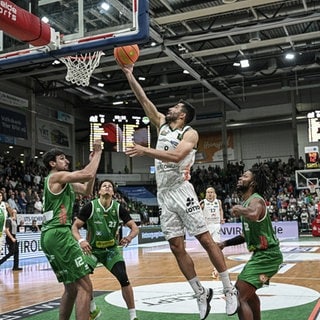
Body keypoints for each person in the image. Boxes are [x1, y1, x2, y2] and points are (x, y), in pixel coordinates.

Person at [120, 63, 238, 319]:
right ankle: (200, 293)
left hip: (182, 190)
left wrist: (145, 150)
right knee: (175, 246)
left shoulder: (190, 133)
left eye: (176, 107)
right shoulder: (161, 124)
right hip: (163, 194)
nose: (170, 108)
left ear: (182, 115)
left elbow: (175, 156)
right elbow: (144, 99)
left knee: (205, 240)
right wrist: (129, 74)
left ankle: (229, 290)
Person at [41, 140, 102, 320]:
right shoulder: (55, 177)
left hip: (52, 235)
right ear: (52, 164)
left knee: (71, 288)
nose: (67, 161)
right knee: (85, 286)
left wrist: (93, 165)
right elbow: (86, 173)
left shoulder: (64, 182)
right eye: (62, 158)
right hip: (59, 233)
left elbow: (87, 190)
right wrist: (97, 153)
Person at [218, 164, 283, 320]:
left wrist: (239, 209)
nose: (241, 178)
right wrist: (224, 244)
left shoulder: (256, 201)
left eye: (245, 176)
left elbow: (253, 214)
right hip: (263, 258)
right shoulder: (248, 202)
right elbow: (244, 235)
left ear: (253, 183)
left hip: (267, 257)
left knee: (239, 297)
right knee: (250, 295)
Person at [72, 179, 139, 320]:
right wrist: (81, 241)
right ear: (99, 191)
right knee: (82, 277)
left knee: (124, 278)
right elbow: (74, 227)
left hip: (111, 250)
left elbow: (135, 228)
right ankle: (92, 308)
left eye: (110, 186)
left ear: (113, 192)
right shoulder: (90, 206)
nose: (107, 188)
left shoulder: (119, 208)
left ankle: (133, 316)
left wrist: (129, 237)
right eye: (104, 186)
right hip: (92, 249)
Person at [200, 187, 225, 279]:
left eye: (211, 192)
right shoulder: (203, 202)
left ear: (214, 193)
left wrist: (222, 218)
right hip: (207, 226)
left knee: (217, 247)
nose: (209, 194)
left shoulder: (218, 201)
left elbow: (221, 209)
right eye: (208, 192)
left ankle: (216, 269)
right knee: (209, 249)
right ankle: (215, 265)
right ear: (206, 194)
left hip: (216, 225)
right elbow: (198, 212)